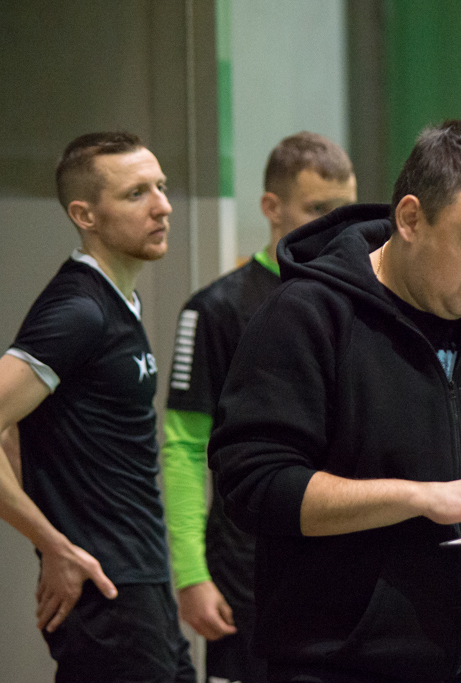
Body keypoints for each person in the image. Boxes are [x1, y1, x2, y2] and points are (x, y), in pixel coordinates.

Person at [207, 120, 461, 683]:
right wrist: (418, 497)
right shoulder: (304, 317)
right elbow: (255, 485)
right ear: (411, 219)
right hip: (341, 667)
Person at [0, 132, 195, 683]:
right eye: (137, 194)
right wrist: (54, 544)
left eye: (161, 187)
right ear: (85, 215)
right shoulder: (79, 310)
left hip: (139, 584)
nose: (162, 206)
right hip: (110, 599)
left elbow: (15, 433)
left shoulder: (116, 302)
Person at [162, 132, 356, 683]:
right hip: (244, 574)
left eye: (344, 210)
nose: (334, 226)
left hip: (344, 569)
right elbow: (184, 448)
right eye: (317, 209)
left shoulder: (362, 302)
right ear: (272, 207)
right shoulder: (217, 310)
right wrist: (191, 573)